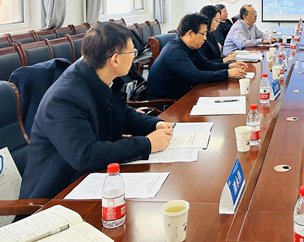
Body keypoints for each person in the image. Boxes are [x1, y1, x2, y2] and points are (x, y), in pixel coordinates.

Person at [20, 23, 174, 199]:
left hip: (92, 179)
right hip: (57, 193)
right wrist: (147, 144)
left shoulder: (96, 76)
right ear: (115, 60)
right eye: (132, 52)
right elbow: (86, 156)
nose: (134, 56)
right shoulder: (63, 98)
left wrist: (155, 125)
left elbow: (121, 114)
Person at [147, 13, 247, 100]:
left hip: (184, 95)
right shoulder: (175, 51)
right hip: (168, 103)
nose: (205, 38)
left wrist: (229, 66)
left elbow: (207, 65)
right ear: (190, 33)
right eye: (203, 34)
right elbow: (196, 77)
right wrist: (227, 73)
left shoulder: (190, 47)